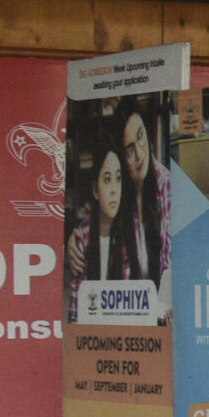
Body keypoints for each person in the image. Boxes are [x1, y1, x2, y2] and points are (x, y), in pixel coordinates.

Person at [65, 146, 130, 317]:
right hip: (91, 330)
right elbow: (75, 303)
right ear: (95, 190)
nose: (114, 190)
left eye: (118, 179)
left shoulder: (129, 233)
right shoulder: (83, 235)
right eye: (107, 180)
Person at [115, 98, 169, 286]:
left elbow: (170, 266)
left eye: (140, 136)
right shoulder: (119, 191)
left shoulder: (166, 184)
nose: (139, 154)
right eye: (129, 149)